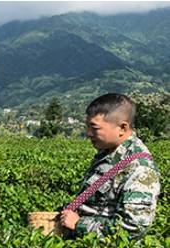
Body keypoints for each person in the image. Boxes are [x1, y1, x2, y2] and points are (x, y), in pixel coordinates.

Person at [59, 93, 161, 239]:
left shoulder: (140, 169)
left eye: (95, 128)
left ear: (122, 128)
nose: (89, 133)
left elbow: (133, 229)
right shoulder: (107, 153)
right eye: (88, 127)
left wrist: (80, 224)